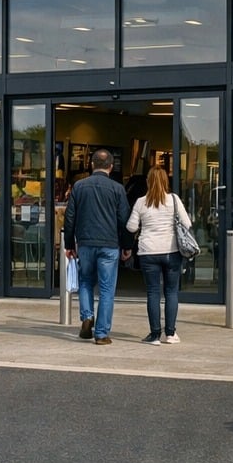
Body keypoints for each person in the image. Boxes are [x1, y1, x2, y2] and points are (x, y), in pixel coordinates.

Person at [61, 147, 132, 345]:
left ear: (92, 165)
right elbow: (125, 220)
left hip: (85, 242)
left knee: (85, 281)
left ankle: (87, 317)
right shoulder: (118, 189)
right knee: (107, 289)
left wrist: (69, 244)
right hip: (109, 244)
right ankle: (101, 334)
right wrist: (127, 246)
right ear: (111, 166)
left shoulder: (79, 186)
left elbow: (70, 218)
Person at [126, 165, 191, 344]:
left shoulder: (141, 202)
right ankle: (170, 333)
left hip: (148, 252)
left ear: (148, 182)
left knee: (153, 292)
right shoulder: (174, 200)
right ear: (165, 181)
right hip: (171, 251)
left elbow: (131, 227)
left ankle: (154, 334)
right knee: (171, 292)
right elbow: (187, 223)